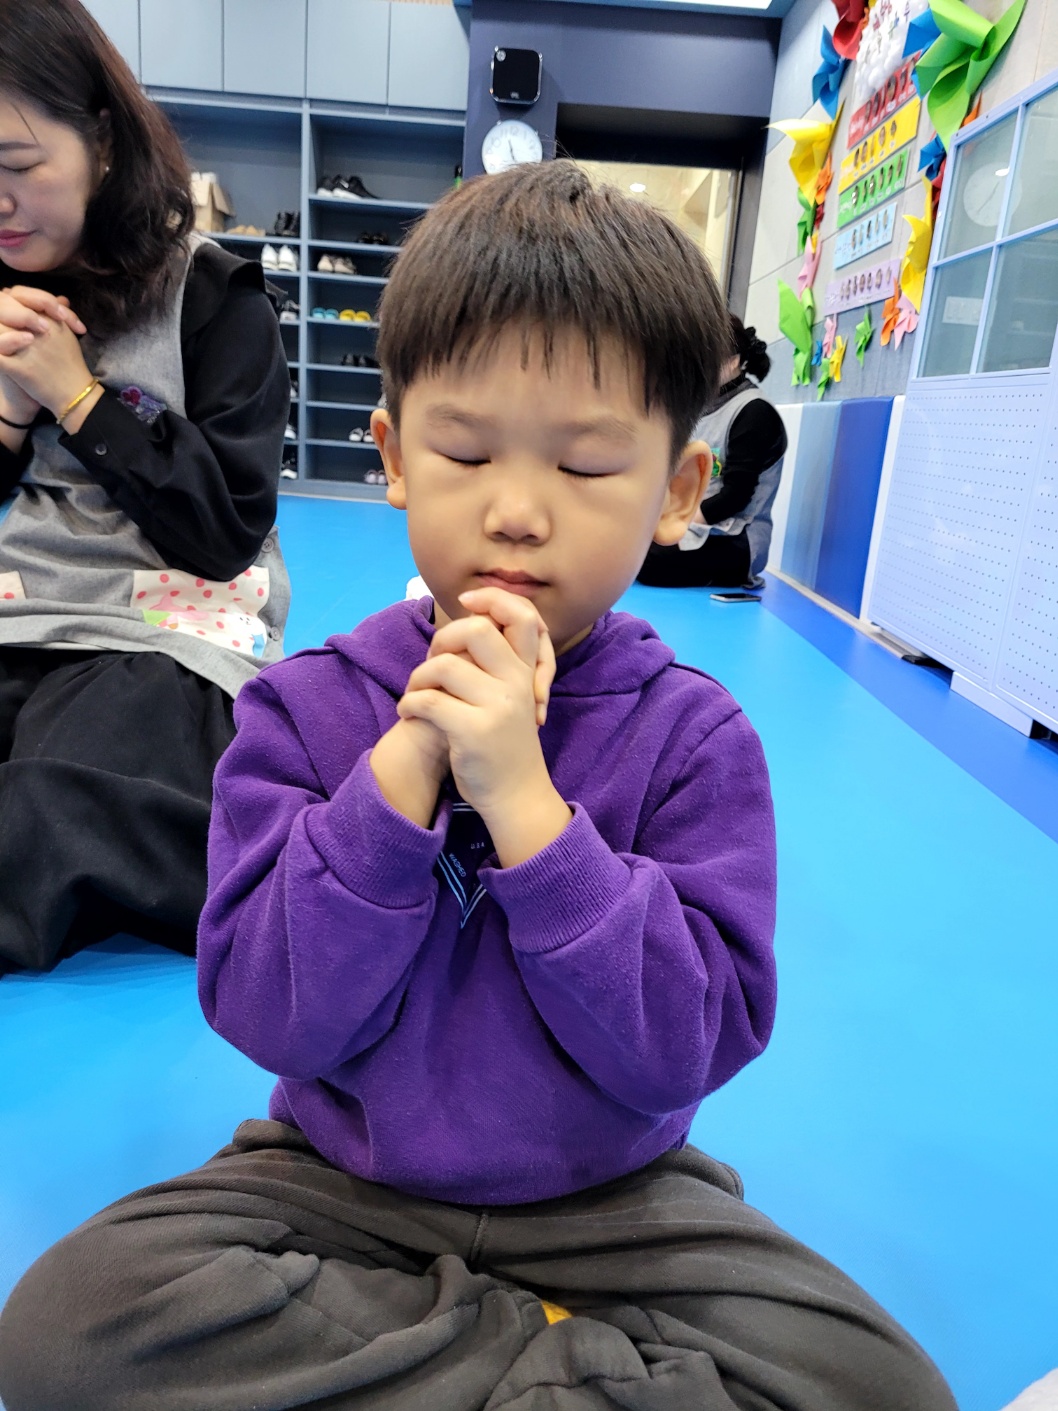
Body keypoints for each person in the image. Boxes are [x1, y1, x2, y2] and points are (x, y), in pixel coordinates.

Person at [0, 162, 956, 1411]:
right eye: (464, 450)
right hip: (341, 1178)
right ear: (395, 456)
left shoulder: (693, 739)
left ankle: (429, 1356)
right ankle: (548, 1365)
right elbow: (269, 1015)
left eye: (586, 467)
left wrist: (529, 814)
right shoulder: (302, 708)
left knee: (882, 1388)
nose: (514, 513)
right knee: (62, 1328)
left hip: (612, 1199)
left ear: (676, 494)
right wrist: (402, 771)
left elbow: (684, 1048)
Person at [0, 0, 290, 974]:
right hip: (21, 614)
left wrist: (79, 400)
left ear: (103, 144)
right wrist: (8, 415)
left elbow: (226, 531)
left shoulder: (214, 296)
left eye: (16, 164)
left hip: (164, 630)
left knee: (55, 794)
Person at [638, 315, 787, 590]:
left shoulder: (754, 412)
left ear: (733, 361)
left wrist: (677, 522)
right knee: (628, 544)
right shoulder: (701, 407)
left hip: (737, 537)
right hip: (696, 526)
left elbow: (735, 497)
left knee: (647, 559)